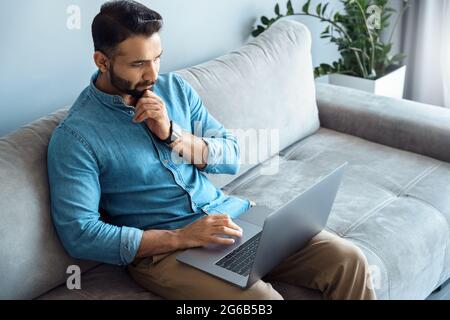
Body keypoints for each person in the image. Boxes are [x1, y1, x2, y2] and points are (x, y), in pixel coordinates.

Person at [47, 0, 376, 300]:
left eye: (157, 58)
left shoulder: (175, 89)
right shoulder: (76, 137)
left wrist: (174, 135)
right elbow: (80, 233)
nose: (152, 74)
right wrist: (181, 237)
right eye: (138, 64)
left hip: (233, 218)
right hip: (164, 254)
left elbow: (230, 154)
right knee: (262, 301)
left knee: (349, 260)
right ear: (102, 61)